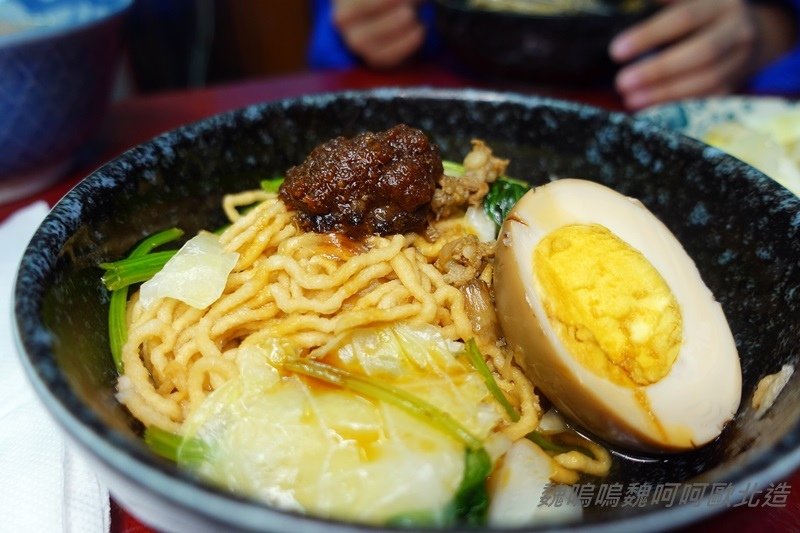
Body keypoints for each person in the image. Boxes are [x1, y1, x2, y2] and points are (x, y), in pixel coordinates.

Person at [308, 0, 800, 109]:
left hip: (656, 99)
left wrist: (767, 32)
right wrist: (360, 26)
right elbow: (333, 42)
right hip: (444, 89)